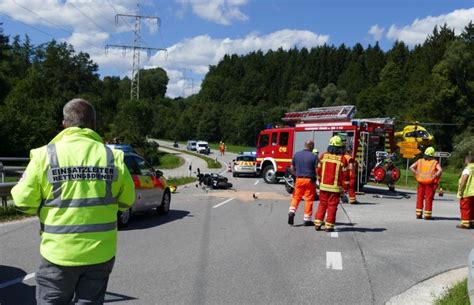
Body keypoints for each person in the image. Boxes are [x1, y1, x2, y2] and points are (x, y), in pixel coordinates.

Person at [11, 98, 136, 305]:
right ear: (94, 124)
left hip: (58, 253)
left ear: (64, 123)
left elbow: (23, 201)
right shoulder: (113, 156)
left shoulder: (45, 155)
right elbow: (127, 201)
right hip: (100, 253)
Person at [314, 136, 349, 232]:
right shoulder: (342, 159)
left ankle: (317, 223)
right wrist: (345, 188)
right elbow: (345, 175)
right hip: (335, 189)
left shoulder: (323, 156)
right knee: (332, 206)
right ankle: (329, 225)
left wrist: (320, 182)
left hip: (323, 187)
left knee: (322, 204)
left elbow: (319, 171)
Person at [288, 140, 318, 226]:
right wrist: (317, 180)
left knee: (296, 197)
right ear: (311, 146)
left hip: (299, 179)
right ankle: (307, 219)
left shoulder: (296, 154)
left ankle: (291, 211)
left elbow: (292, 168)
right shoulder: (314, 156)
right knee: (308, 199)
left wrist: (296, 175)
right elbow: (317, 170)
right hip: (309, 180)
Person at [409, 146, 442, 220]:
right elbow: (440, 170)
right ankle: (427, 215)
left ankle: (418, 214)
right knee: (428, 198)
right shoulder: (434, 162)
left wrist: (416, 173)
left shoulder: (420, 161)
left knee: (419, 197)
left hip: (420, 182)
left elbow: (411, 167)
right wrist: (436, 175)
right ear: (432, 155)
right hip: (429, 183)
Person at [456, 154, 474, 229]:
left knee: (465, 207)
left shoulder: (467, 169)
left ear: (467, 160)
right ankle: (472, 222)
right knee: (472, 208)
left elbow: (464, 179)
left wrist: (460, 190)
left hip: (467, 192)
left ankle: (465, 223)